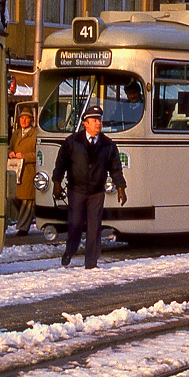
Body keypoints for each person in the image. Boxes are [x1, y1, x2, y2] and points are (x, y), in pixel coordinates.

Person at [52, 105, 127, 269]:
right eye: (94, 121)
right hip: (76, 190)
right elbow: (61, 164)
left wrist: (121, 187)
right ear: (85, 123)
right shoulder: (73, 142)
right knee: (75, 224)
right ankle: (70, 251)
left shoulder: (108, 144)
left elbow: (115, 168)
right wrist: (56, 183)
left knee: (94, 227)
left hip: (96, 192)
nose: (98, 124)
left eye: (99, 120)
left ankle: (91, 262)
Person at [8, 107, 37, 235]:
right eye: (21, 118)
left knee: (27, 199)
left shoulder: (36, 134)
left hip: (29, 171)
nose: (24, 120)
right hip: (16, 171)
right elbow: (9, 148)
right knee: (14, 196)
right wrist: (11, 153)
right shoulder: (16, 134)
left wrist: (25, 156)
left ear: (31, 120)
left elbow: (39, 153)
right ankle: (23, 220)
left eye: (26, 118)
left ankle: (23, 227)